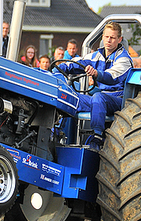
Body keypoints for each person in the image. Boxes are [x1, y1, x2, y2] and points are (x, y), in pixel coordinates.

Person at [57, 22, 132, 150]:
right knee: (68, 96)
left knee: (98, 97)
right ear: (102, 37)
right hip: (100, 99)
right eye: (107, 37)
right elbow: (76, 64)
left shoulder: (124, 59)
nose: (109, 40)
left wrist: (97, 74)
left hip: (118, 99)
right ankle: (58, 134)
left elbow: (112, 77)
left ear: (119, 40)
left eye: (113, 38)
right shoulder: (95, 56)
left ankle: (97, 136)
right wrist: (58, 68)